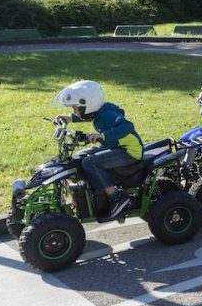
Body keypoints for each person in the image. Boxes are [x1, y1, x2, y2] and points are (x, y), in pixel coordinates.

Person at [53, 80, 143, 221]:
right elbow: (86, 116)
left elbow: (128, 127)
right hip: (113, 147)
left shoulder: (107, 114)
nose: (74, 111)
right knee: (77, 158)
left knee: (90, 163)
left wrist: (102, 136)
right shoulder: (97, 112)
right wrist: (69, 118)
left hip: (129, 151)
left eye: (75, 109)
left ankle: (118, 198)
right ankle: (80, 197)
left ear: (87, 105)